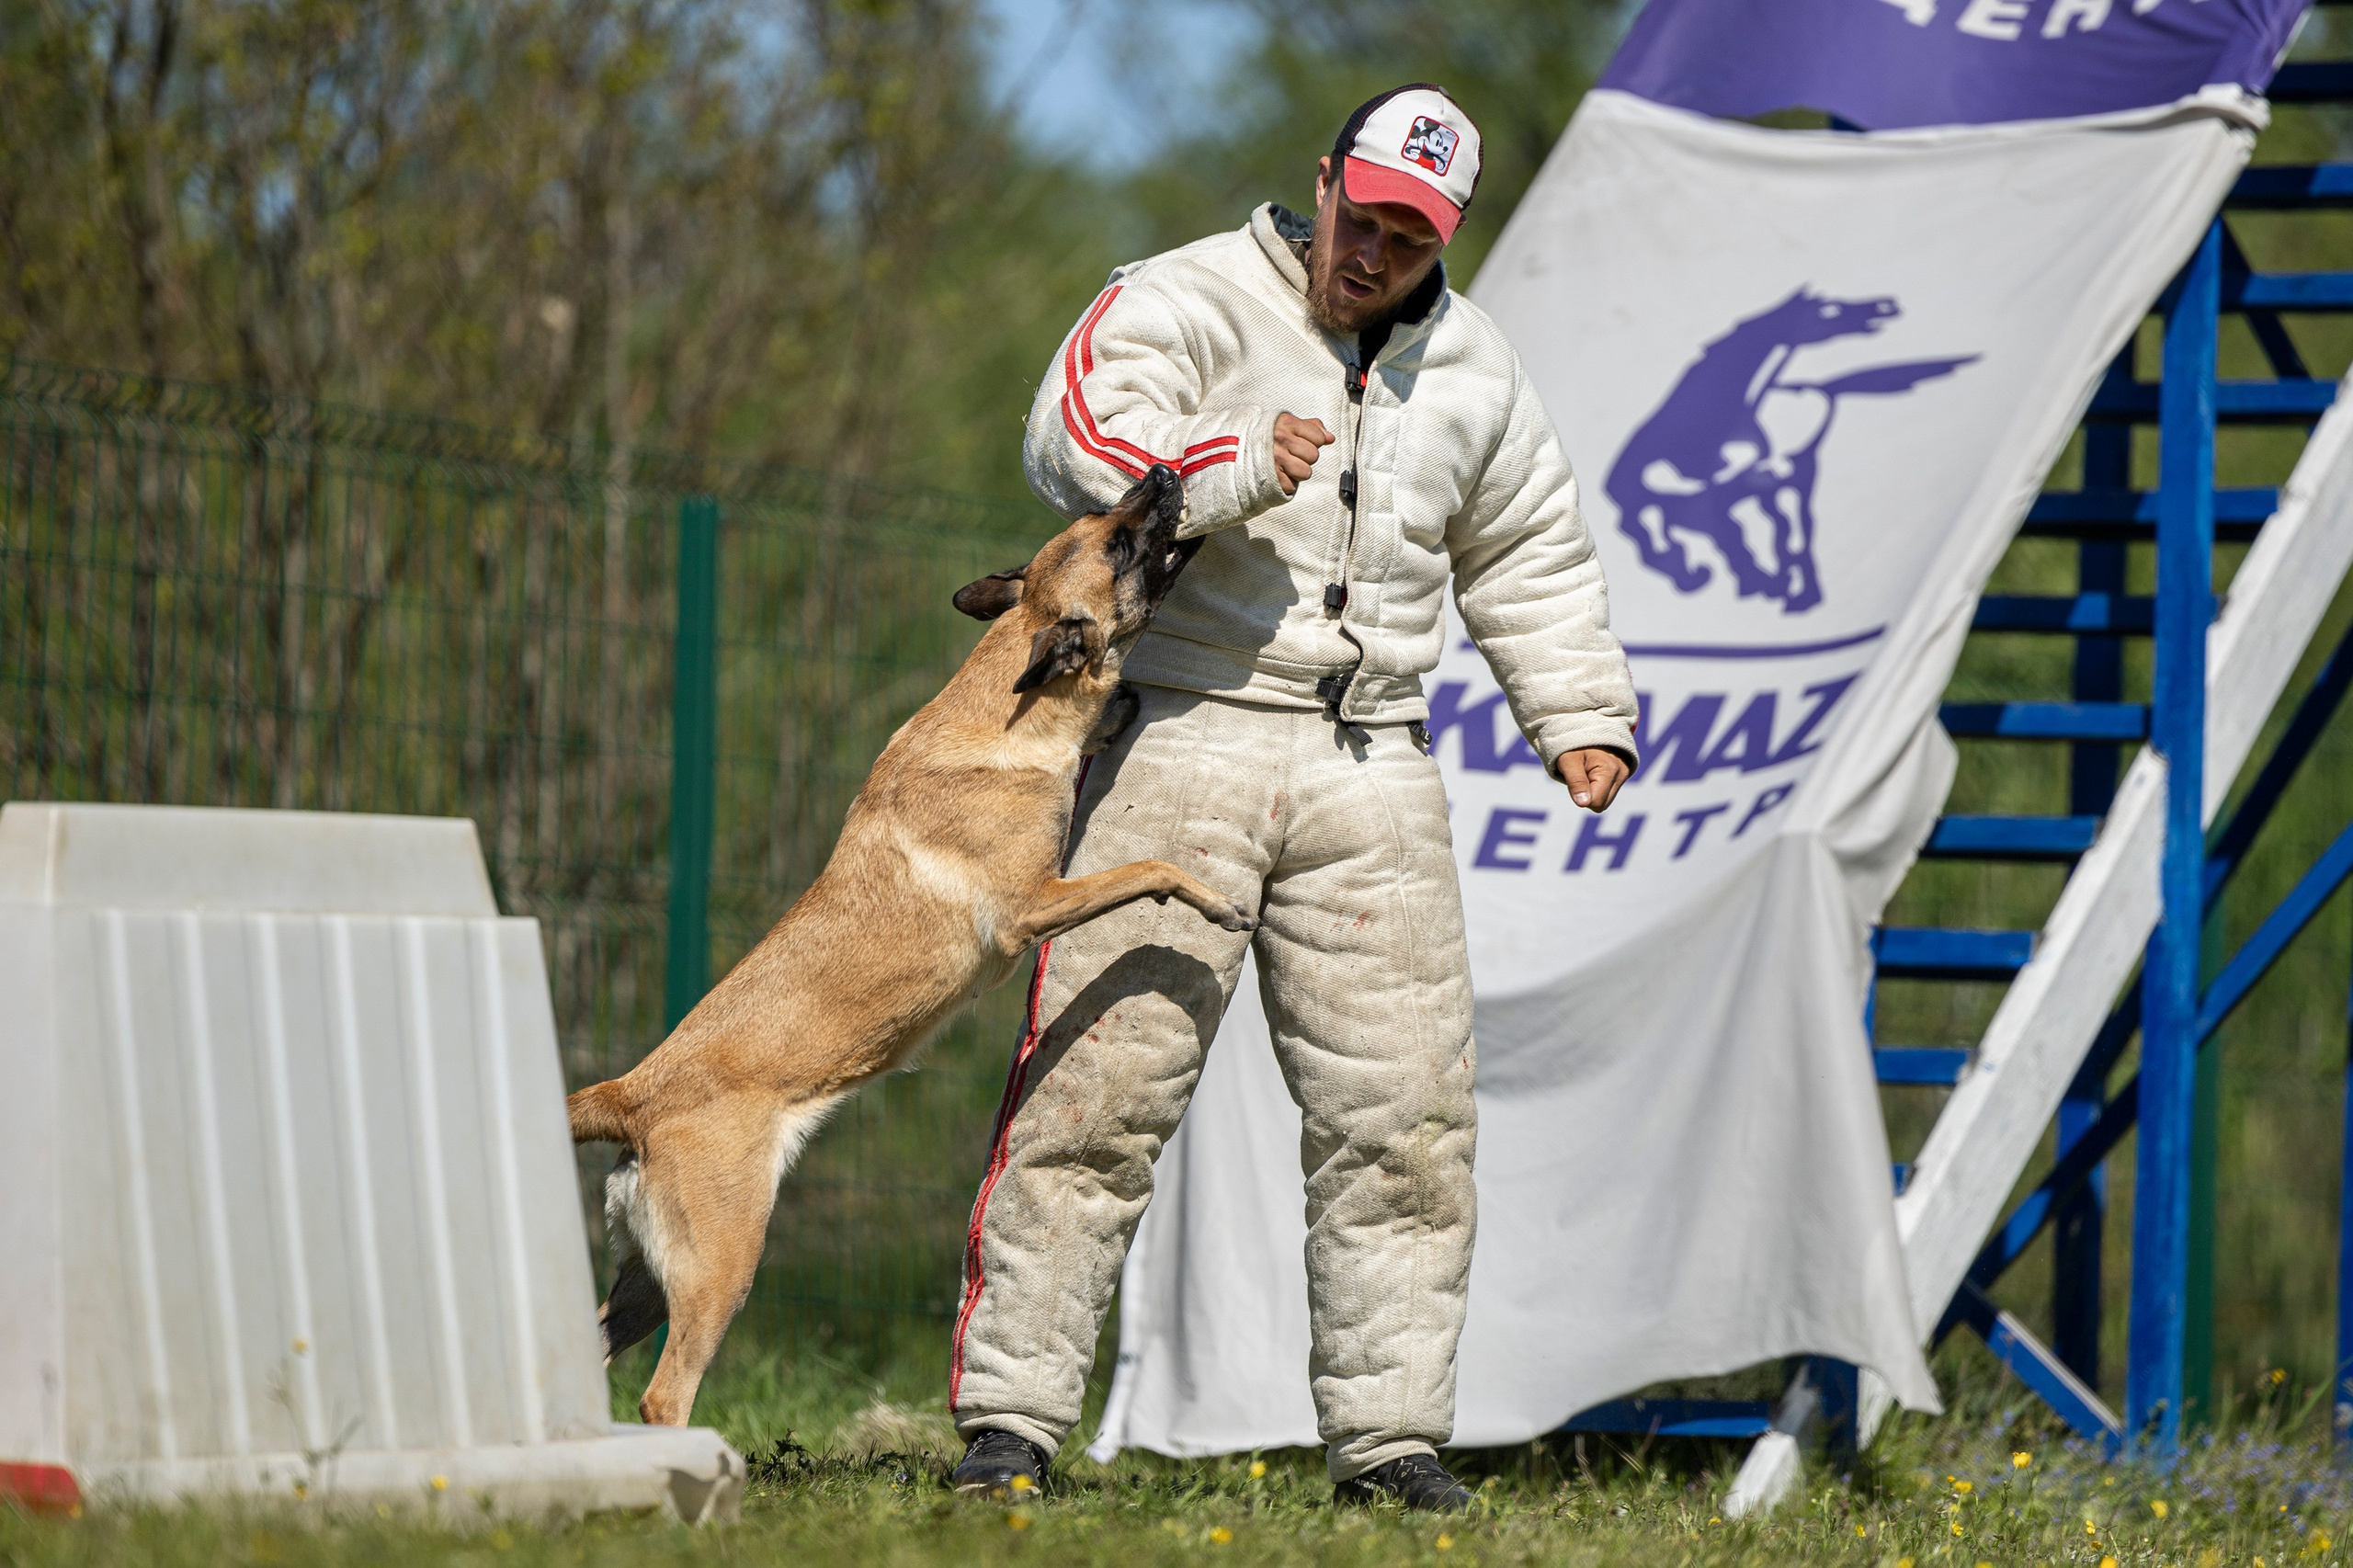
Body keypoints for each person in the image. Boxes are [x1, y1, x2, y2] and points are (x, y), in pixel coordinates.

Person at [948, 84, 1639, 1513]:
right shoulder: (1187, 293)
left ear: (1447, 237)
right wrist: (1226, 461)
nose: (1374, 252)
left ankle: (1390, 1442)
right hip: (1180, 734)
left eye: (1411, 235)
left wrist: (1577, 713)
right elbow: (1070, 431)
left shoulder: (1479, 370)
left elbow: (1528, 551)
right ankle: (1009, 1424)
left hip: (1374, 764)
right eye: (1361, 216)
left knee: (1405, 1121)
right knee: (1093, 1096)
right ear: (1322, 183)